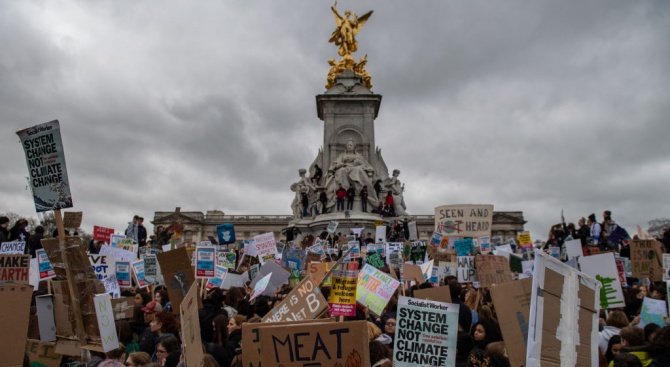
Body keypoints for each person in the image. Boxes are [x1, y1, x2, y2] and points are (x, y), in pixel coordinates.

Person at [326, 140, 379, 210]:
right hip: (344, 167)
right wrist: (341, 164)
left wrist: (357, 163)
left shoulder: (358, 156)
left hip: (355, 168)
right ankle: (345, 191)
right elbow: (336, 163)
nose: (349, 146)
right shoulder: (342, 155)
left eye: (351, 145)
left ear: (354, 147)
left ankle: (358, 190)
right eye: (348, 145)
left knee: (358, 170)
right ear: (346, 147)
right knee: (342, 171)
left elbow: (365, 164)